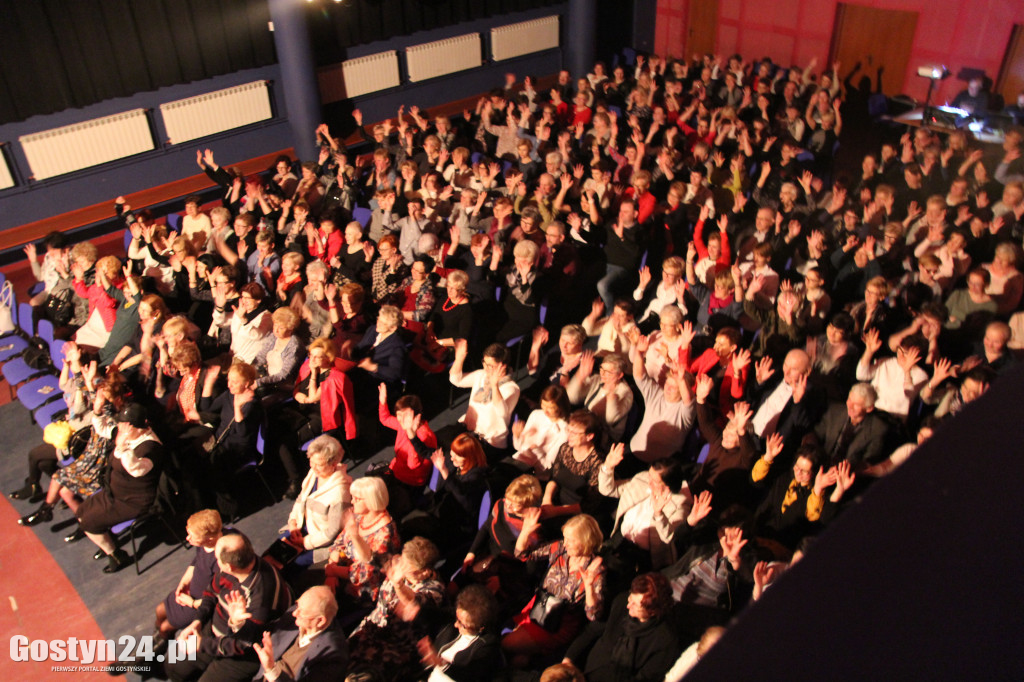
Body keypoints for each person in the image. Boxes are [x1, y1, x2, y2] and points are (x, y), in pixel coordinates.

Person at [166, 533, 292, 682]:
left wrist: (202, 644)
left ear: (228, 566)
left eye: (217, 558)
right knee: (173, 665)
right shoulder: (234, 568)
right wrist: (198, 621)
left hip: (243, 653)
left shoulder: (261, 597)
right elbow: (210, 593)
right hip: (216, 630)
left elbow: (243, 644)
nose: (215, 561)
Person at [502, 514, 606, 667]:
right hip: (538, 608)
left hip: (558, 624)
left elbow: (593, 615)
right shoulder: (560, 548)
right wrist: (525, 533)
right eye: (565, 538)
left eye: (571, 540)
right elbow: (522, 554)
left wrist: (589, 585)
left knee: (506, 644)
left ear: (586, 540)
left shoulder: (595, 569)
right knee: (518, 660)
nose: (566, 543)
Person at [77, 403, 167, 574]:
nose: (119, 427)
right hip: (115, 493)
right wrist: (97, 410)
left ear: (134, 427)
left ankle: (116, 555)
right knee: (81, 513)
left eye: (123, 424)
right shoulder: (127, 435)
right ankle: (107, 542)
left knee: (88, 523)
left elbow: (137, 470)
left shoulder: (150, 447)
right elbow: (103, 428)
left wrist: (122, 447)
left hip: (133, 501)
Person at [347, 537, 447, 682]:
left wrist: (398, 585)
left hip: (396, 644)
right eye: (402, 561)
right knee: (338, 656)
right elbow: (370, 557)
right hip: (373, 626)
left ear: (424, 572)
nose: (402, 567)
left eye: (408, 567)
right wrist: (353, 533)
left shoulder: (434, 589)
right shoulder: (398, 564)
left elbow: (414, 602)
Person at [562, 572, 681, 682]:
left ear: (653, 611)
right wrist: (569, 658)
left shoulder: (665, 640)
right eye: (630, 599)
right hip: (588, 669)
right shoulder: (622, 602)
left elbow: (645, 679)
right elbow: (591, 631)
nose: (628, 605)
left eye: (635, 605)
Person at [154, 510, 227, 645]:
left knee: (165, 627)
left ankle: (154, 650)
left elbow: (217, 597)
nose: (188, 539)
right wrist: (184, 582)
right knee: (160, 610)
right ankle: (157, 638)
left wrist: (192, 603)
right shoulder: (205, 545)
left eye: (192, 536)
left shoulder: (220, 559)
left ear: (209, 539)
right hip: (189, 592)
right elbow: (196, 562)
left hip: (197, 603)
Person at [279, 435, 351, 567]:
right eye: (311, 462)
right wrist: (293, 522)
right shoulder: (314, 473)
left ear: (333, 464)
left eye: (319, 464)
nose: (313, 467)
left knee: (288, 566)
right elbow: (300, 500)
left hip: (319, 543)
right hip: (301, 529)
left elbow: (332, 532)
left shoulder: (340, 493)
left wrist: (304, 542)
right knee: (273, 555)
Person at [323, 476, 399, 603]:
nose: (352, 502)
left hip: (364, 588)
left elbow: (365, 572)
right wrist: (332, 570)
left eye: (357, 499)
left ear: (371, 500)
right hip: (341, 571)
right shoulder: (359, 517)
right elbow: (339, 543)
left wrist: (334, 571)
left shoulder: (384, 533)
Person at [252, 586, 348, 682]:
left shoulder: (332, 656)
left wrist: (271, 670)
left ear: (320, 621)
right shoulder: (296, 616)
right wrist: (239, 624)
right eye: (297, 605)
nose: (294, 613)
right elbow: (263, 633)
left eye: (302, 611)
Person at [449, 340, 521, 455]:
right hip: (469, 429)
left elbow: (502, 413)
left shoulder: (511, 388)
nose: (486, 368)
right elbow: (456, 380)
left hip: (488, 440)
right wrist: (459, 358)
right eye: (484, 362)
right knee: (442, 443)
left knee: (457, 456)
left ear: (502, 366)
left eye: (490, 365)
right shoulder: (481, 375)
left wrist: (494, 386)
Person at [418, 584, 502, 682]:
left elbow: (469, 676)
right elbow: (434, 615)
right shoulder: (455, 618)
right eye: (457, 619)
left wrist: (440, 663)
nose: (455, 625)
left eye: (462, 624)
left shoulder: (487, 645)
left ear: (480, 628)